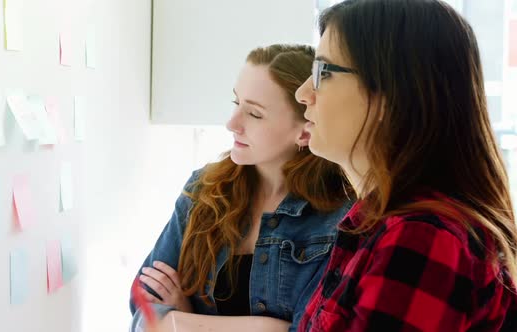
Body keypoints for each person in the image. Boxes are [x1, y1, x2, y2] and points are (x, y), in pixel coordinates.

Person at [294, 0, 517, 330]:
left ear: (390, 92)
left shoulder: (422, 236)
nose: (302, 93)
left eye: (322, 72)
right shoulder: (381, 223)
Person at [129, 43, 354, 332]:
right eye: (237, 104)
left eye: (255, 114)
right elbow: (144, 306)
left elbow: (313, 329)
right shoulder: (203, 190)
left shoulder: (338, 217)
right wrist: (267, 326)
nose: (232, 123)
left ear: (305, 130)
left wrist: (181, 320)